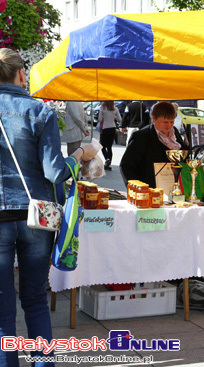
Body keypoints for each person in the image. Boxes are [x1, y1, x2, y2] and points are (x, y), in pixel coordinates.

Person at [0, 48, 97, 366]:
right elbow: (56, 173)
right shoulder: (40, 113)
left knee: (2, 306)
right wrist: (80, 154)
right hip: (37, 219)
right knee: (35, 300)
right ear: (21, 75)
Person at [120, 101, 188, 188]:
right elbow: (126, 165)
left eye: (171, 122)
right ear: (153, 118)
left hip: (175, 187)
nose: (169, 125)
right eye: (165, 122)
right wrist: (137, 188)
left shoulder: (175, 133)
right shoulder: (141, 136)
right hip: (151, 189)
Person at [98, 101, 122, 171]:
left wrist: (103, 115)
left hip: (105, 128)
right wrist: (113, 116)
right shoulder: (115, 109)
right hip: (112, 128)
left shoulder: (102, 108)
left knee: (102, 146)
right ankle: (108, 164)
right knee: (109, 147)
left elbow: (99, 119)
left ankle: (107, 159)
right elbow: (119, 119)